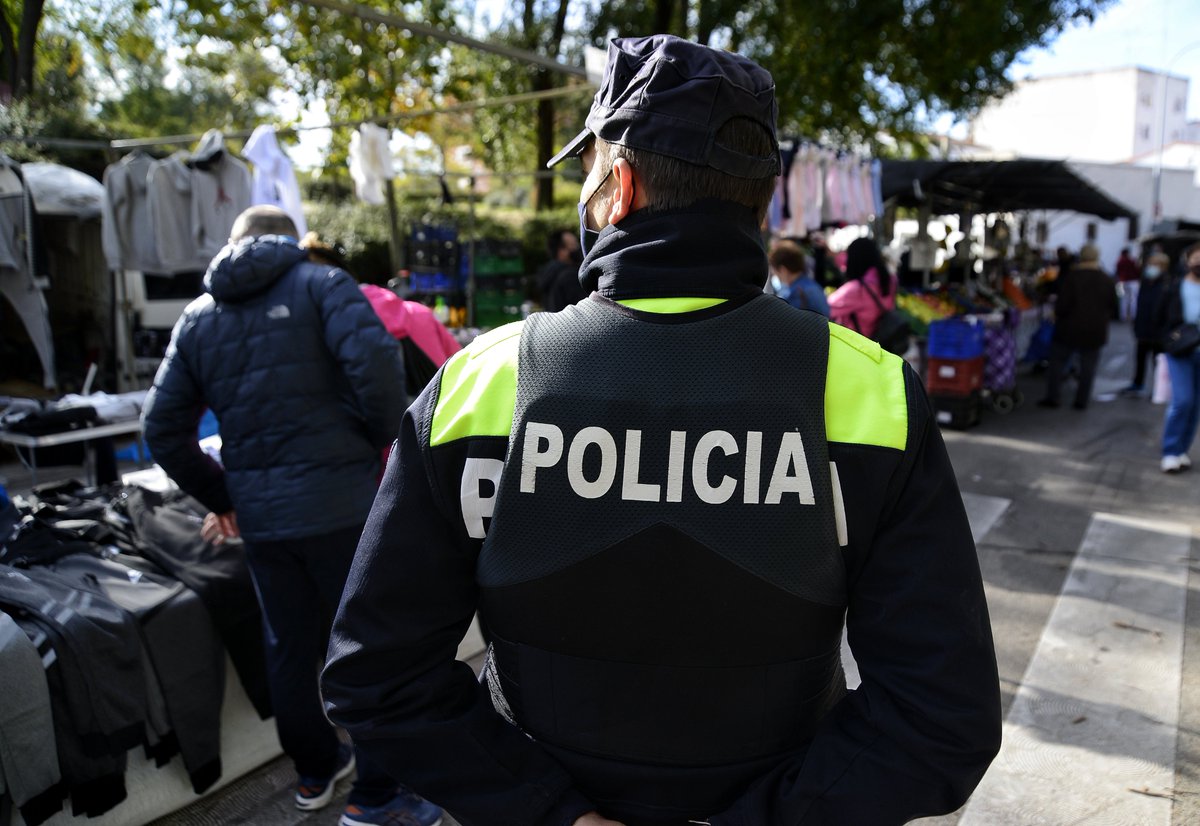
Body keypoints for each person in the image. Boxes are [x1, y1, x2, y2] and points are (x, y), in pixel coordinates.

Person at [322, 35, 1000, 826]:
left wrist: (549, 813)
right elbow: (941, 717)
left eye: (588, 168)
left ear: (620, 188)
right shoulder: (873, 390)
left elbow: (374, 678)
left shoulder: (480, 383)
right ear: (760, 203)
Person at [141, 206, 443, 826]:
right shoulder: (325, 285)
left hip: (264, 520)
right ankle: (377, 796)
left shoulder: (198, 318)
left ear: (234, 245)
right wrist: (375, 446)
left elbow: (160, 430)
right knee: (369, 645)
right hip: (343, 508)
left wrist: (224, 497)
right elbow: (377, 370)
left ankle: (314, 772)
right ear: (288, 237)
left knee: (288, 647)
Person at [1037, 243, 1119, 411]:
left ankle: (1053, 397)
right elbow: (1114, 307)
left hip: (1068, 329)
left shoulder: (1072, 278)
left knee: (1057, 363)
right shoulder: (1107, 279)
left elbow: (1062, 306)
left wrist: (1057, 314)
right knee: (1088, 367)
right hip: (1095, 330)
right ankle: (1081, 401)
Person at [1158, 243, 1200, 473]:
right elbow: (1160, 316)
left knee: (1195, 406)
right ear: (1188, 261)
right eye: (1196, 258)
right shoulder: (1175, 286)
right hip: (1181, 351)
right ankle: (1170, 451)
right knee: (1182, 401)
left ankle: (1182, 449)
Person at [1119, 251, 1170, 398]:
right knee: (1140, 359)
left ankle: (1158, 389)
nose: (1150, 267)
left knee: (1157, 362)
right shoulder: (1145, 283)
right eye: (1150, 264)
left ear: (1163, 267)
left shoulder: (1167, 285)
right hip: (1143, 329)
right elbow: (1140, 306)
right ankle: (1137, 383)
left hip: (1158, 332)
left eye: (1154, 265)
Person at [826, 235, 898, 340]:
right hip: (880, 345)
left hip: (857, 346)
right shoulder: (890, 281)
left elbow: (824, 308)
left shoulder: (856, 290)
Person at [767, 238, 829, 316]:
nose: (774, 274)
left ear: (783, 270)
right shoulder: (813, 286)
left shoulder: (794, 295)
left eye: (774, 270)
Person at [537, 228, 587, 311]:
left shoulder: (547, 273)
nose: (578, 248)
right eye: (573, 245)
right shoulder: (570, 276)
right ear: (561, 250)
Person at [1115, 246, 1141, 322]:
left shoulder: (1119, 262)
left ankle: (1123, 316)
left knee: (1123, 299)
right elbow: (1137, 271)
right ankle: (1133, 316)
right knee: (1133, 299)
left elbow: (1117, 272)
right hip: (1133, 282)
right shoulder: (1132, 261)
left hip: (1122, 281)